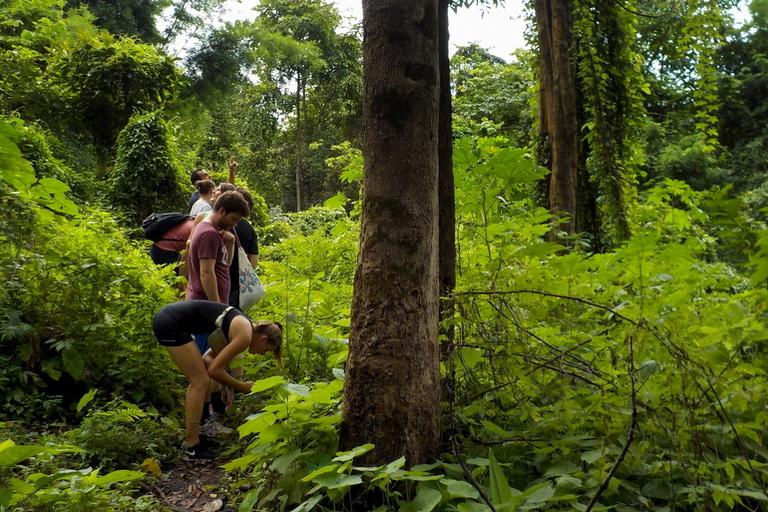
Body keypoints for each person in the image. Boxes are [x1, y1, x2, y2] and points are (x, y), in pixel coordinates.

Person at [153, 300, 282, 459]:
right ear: (263, 339)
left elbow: (208, 359)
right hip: (171, 323)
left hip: (170, 319)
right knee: (200, 382)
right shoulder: (245, 335)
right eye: (267, 350)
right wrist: (241, 386)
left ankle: (195, 437)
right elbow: (214, 370)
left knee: (201, 379)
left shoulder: (242, 325)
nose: (262, 354)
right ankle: (191, 445)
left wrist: (227, 384)